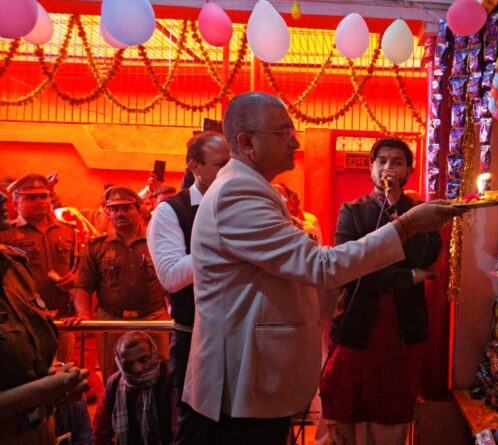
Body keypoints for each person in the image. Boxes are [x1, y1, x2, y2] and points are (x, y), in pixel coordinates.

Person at [183, 92, 463, 444]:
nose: (295, 141)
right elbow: (321, 265)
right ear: (247, 142)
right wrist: (405, 229)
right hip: (241, 380)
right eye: (283, 133)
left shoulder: (254, 189)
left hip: (262, 377)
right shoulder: (237, 193)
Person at [319, 138, 442, 445]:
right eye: (382, 161)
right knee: (346, 405)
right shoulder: (353, 212)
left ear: (408, 171)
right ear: (372, 169)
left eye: (397, 162)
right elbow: (350, 270)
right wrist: (410, 276)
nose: (388, 167)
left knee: (392, 409)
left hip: (403, 330)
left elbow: (427, 254)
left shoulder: (421, 212)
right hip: (356, 327)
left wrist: (402, 222)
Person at [146, 131, 230, 444]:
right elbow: (170, 275)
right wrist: (222, 244)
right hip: (195, 336)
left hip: (240, 335)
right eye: (221, 164)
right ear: (194, 165)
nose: (229, 172)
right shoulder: (171, 211)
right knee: (196, 428)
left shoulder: (243, 207)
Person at [0, 191, 90, 444]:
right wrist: (44, 389)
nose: (1, 198)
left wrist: (54, 375)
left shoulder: (14, 266)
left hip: (41, 430)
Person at [66, 186, 170, 380]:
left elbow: (172, 278)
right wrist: (84, 315)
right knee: (113, 378)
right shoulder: (97, 246)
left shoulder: (158, 242)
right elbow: (84, 286)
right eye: (114, 209)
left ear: (139, 210)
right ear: (108, 213)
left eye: (126, 208)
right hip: (111, 322)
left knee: (160, 377)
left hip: (153, 319)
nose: (120, 213)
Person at [0, 174, 80, 363]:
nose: (40, 201)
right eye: (31, 197)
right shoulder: (6, 234)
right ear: (16, 202)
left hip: (63, 319)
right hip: (25, 322)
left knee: (64, 374)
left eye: (43, 196)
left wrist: (75, 279)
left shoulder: (67, 231)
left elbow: (80, 268)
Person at [93, 331, 173, 445]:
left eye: (144, 359)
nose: (137, 369)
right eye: (128, 365)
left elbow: (180, 431)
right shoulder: (114, 384)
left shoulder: (169, 379)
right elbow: (100, 433)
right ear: (119, 364)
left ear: (154, 354)